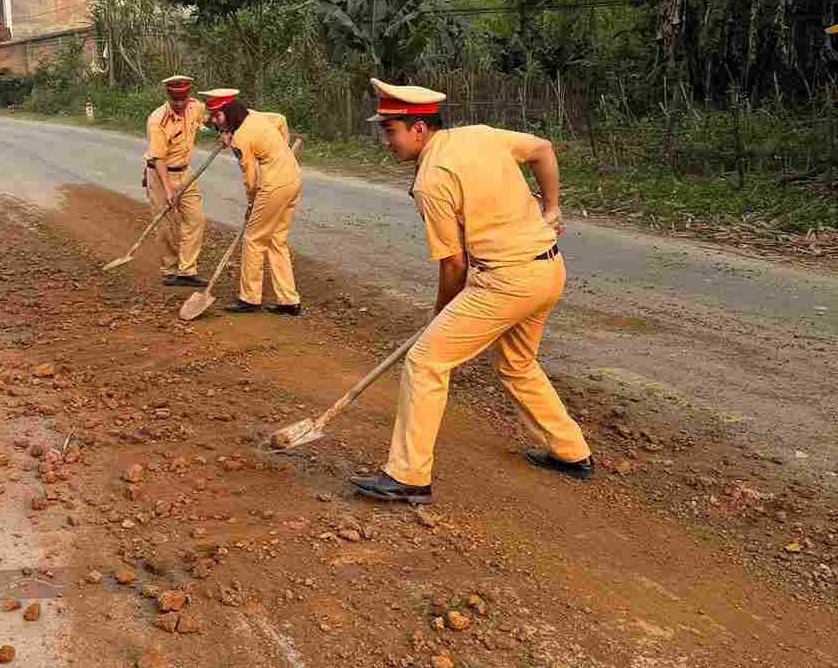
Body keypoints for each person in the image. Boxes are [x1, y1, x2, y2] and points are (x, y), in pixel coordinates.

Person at [351, 78, 593, 501]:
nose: (385, 141)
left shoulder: (431, 181)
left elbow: (453, 264)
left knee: (425, 360)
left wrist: (438, 317)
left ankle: (408, 476)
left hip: (506, 281)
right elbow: (542, 149)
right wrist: (552, 207)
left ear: (419, 129)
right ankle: (570, 451)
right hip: (548, 270)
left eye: (390, 131)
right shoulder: (479, 135)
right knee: (517, 364)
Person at [201, 88, 303, 316]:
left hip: (274, 185)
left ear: (230, 111)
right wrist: (282, 148)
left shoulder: (241, 138)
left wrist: (251, 203)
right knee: (276, 239)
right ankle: (288, 301)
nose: (216, 122)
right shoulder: (255, 116)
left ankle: (250, 298)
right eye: (213, 117)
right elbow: (280, 120)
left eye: (218, 116)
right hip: (292, 177)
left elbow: (249, 175)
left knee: (253, 238)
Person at [145, 74, 208, 286]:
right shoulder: (158, 120)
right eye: (175, 100)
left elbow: (212, 119)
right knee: (166, 225)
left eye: (183, 99)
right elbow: (159, 158)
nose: (180, 104)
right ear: (168, 97)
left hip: (185, 172)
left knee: (195, 218)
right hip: (159, 173)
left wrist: (224, 131)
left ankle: (187, 271)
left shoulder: (195, 107)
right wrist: (169, 189)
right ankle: (170, 269)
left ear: (188, 95)